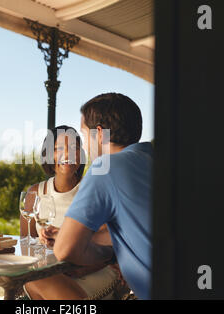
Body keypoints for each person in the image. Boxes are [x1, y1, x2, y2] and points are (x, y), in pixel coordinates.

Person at [48, 93, 153, 300]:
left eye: (85, 135)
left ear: (99, 134)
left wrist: (107, 254)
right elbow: (137, 228)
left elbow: (64, 250)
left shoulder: (105, 168)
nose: (85, 145)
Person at [20, 125, 120, 300]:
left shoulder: (94, 190)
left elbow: (109, 247)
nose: (67, 155)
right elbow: (25, 245)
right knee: (34, 280)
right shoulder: (34, 194)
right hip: (49, 273)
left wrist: (78, 269)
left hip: (92, 272)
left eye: (74, 148)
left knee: (37, 281)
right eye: (59, 149)